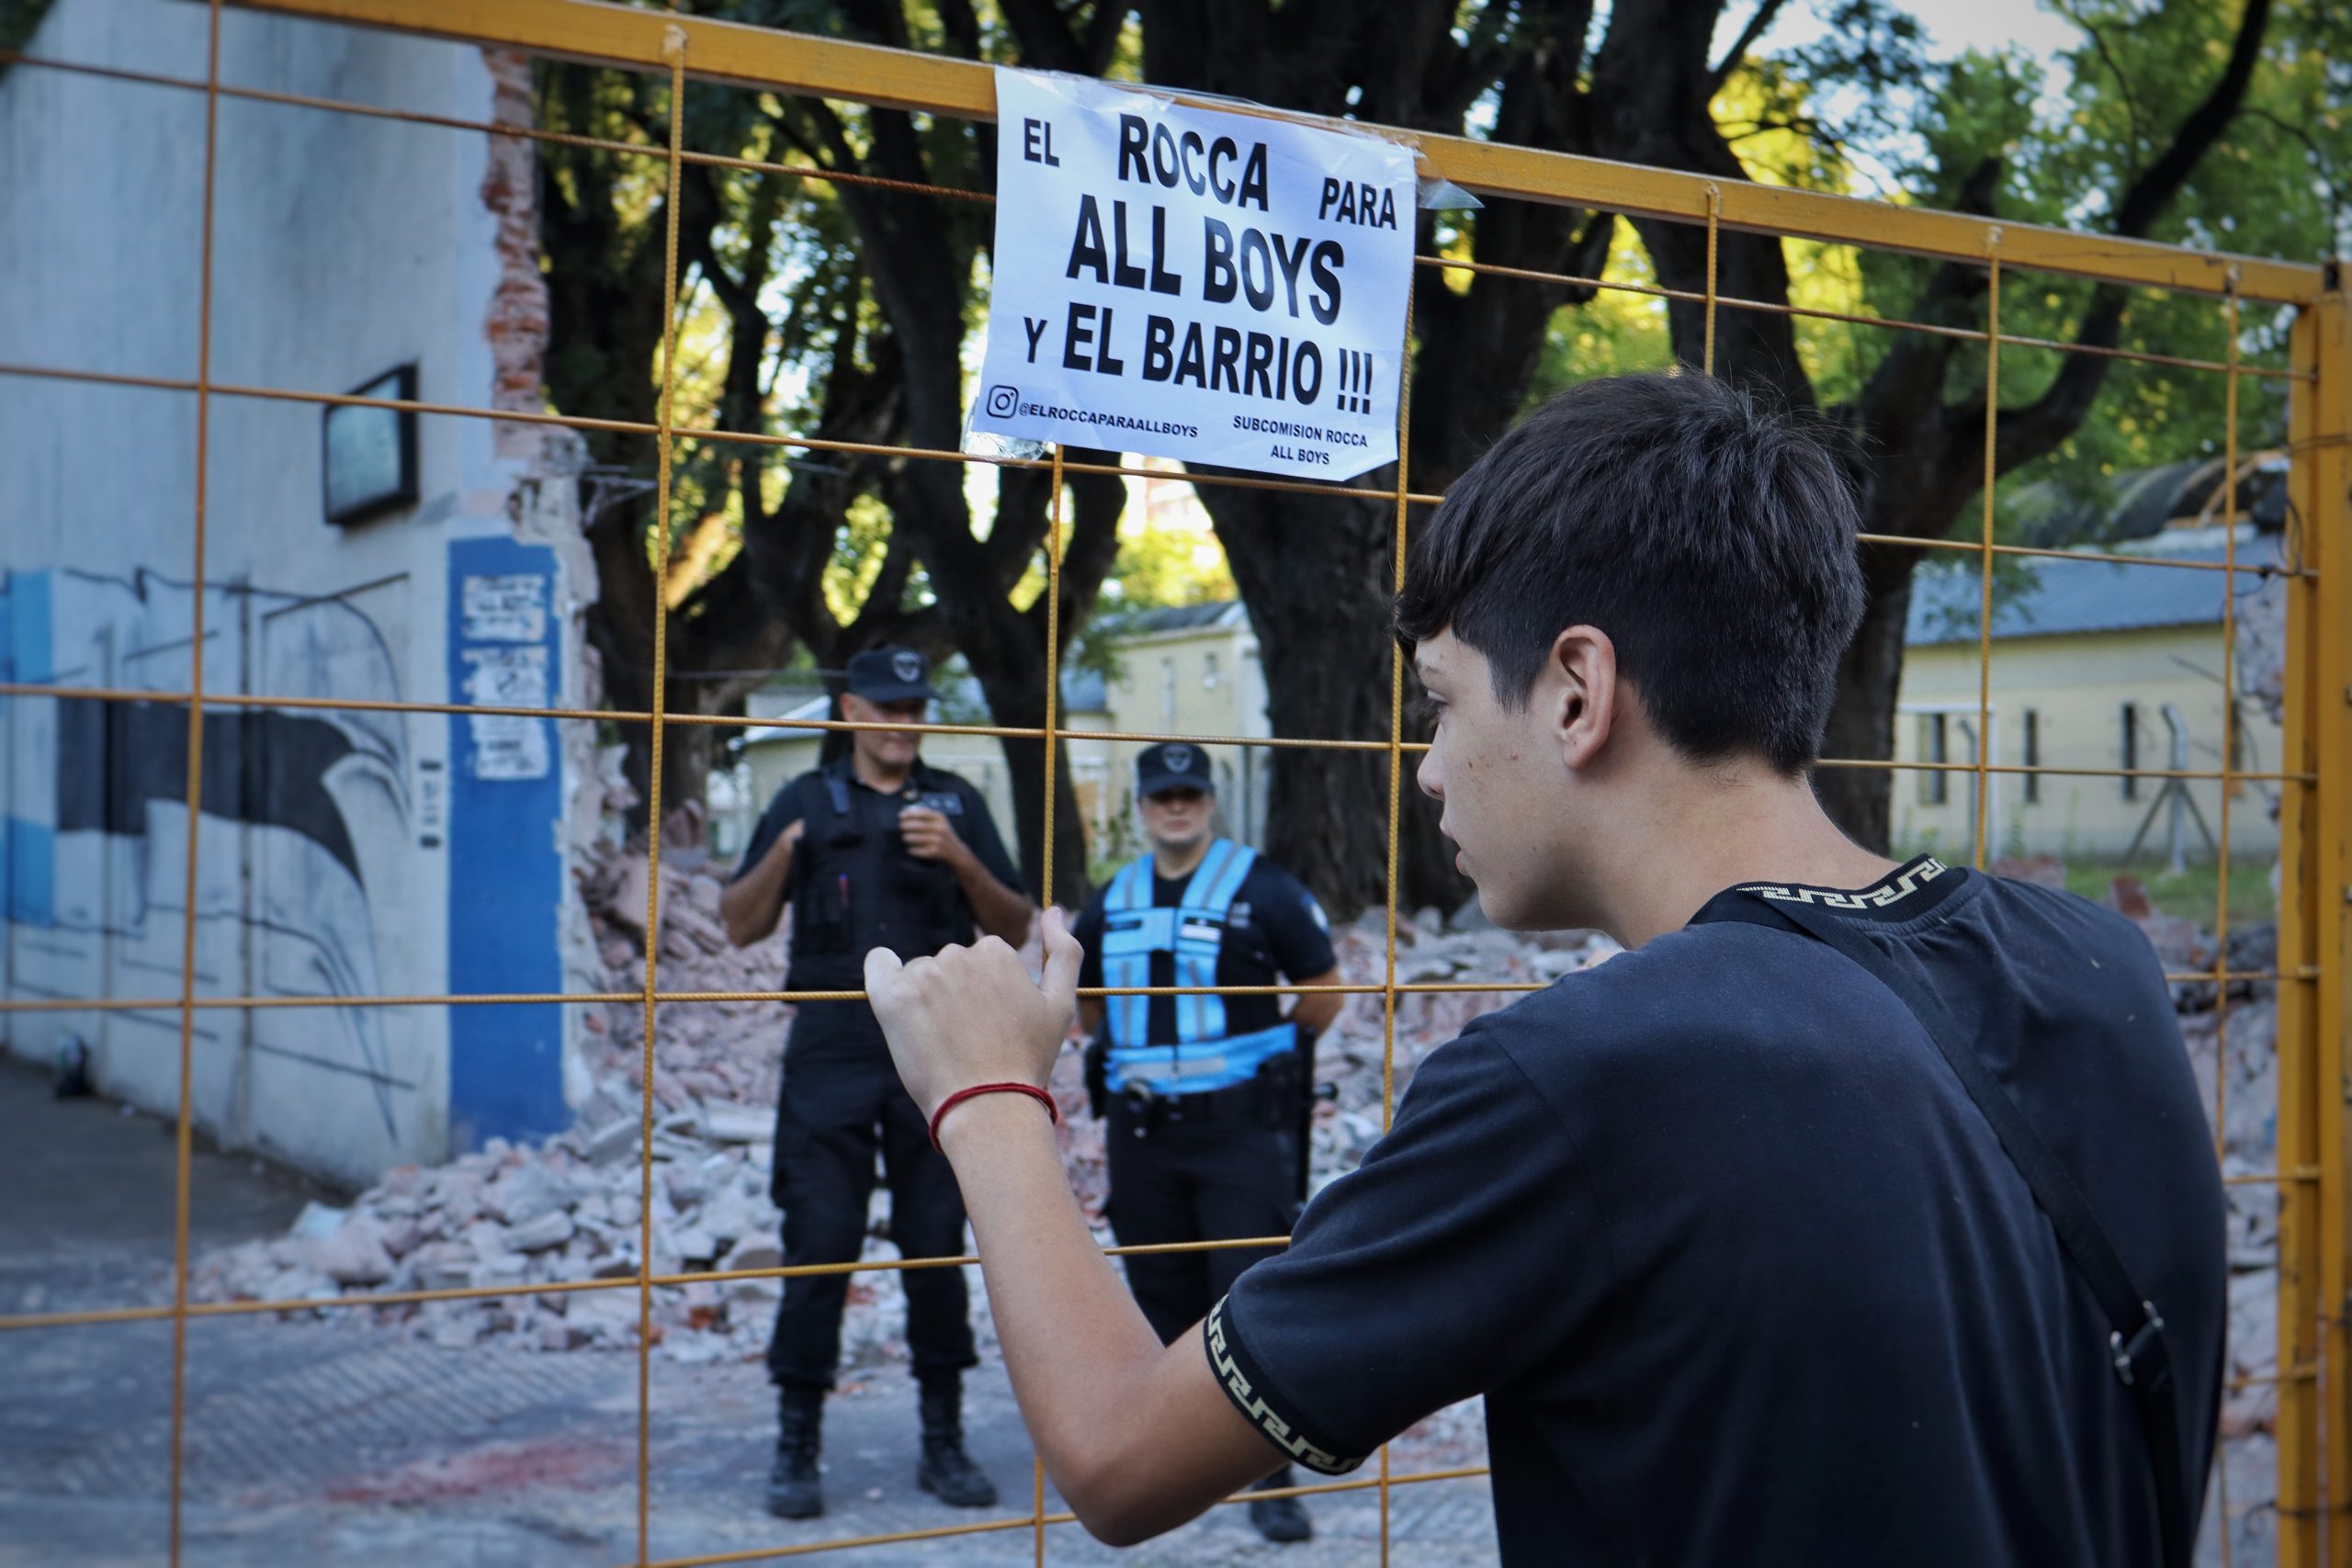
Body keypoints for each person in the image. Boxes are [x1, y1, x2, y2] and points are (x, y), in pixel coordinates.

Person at [854, 373, 2227, 1565]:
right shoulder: (2093, 962)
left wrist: (988, 1095)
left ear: (1577, 690)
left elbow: (1114, 1455)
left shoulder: (1582, 1078)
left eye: (1442, 702)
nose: (1429, 768)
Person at [719, 646, 1033, 1521]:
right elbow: (739, 925)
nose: (904, 724)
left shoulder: (955, 800)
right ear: (851, 711)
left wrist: (960, 857)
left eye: (915, 708)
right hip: (831, 1049)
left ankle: (944, 1439)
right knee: (819, 1243)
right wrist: (787, 850)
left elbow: (1015, 922)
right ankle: (796, 1444)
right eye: (888, 708)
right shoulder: (803, 798)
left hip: (935, 1049)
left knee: (935, 1247)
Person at [1071, 742, 1344, 1543]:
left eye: (1189, 793)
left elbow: (1324, 993)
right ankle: (1180, 1460)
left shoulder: (1263, 889)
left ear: (1210, 801)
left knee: (1249, 1293)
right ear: (1141, 805)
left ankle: (1270, 1476)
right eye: (1163, 795)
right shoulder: (1111, 899)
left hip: (1239, 1130)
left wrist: (1262, 1060)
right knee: (1160, 1291)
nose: (1176, 806)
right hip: (1142, 1131)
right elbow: (1088, 1005)